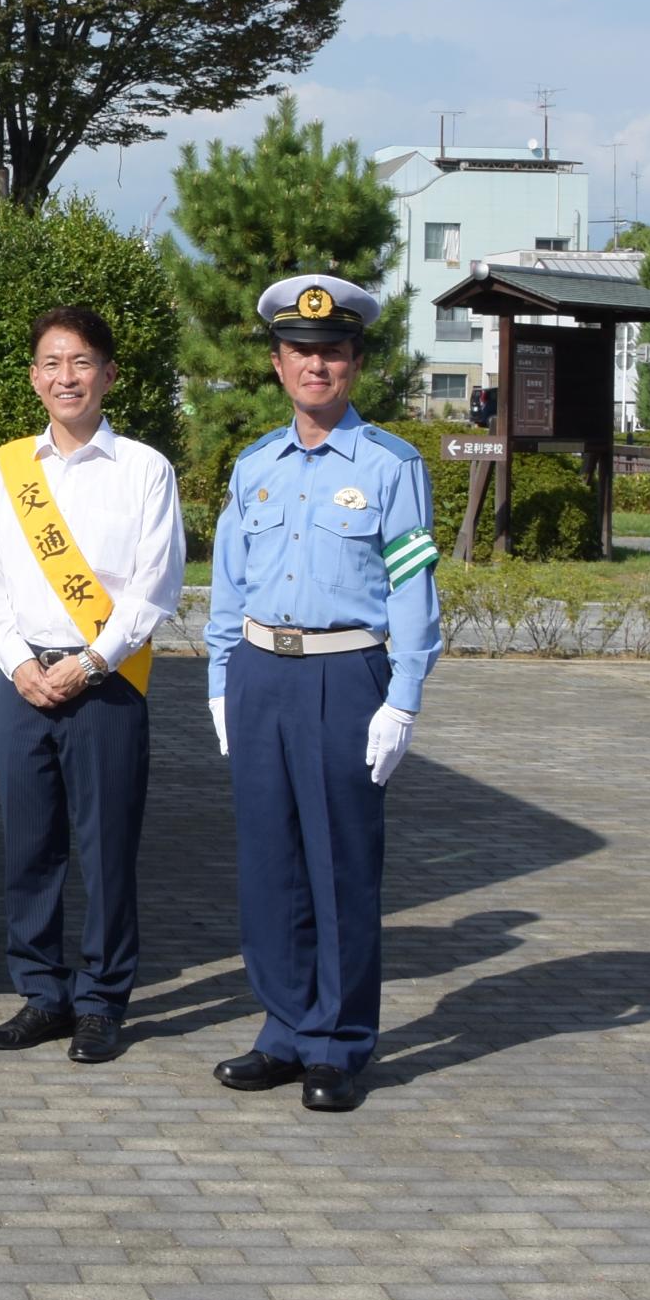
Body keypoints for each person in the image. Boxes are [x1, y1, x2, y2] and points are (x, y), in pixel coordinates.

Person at [204, 273, 444, 1113]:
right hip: (262, 673)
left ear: (354, 364)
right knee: (269, 864)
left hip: (347, 675)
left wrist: (403, 697)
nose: (317, 366)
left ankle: (338, 1044)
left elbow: (413, 587)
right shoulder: (254, 467)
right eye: (301, 353)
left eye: (332, 353)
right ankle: (282, 1030)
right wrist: (217, 681)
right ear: (276, 364)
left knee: (339, 865)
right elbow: (228, 584)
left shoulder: (390, 467)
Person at [0, 304, 182, 1067]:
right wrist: (17, 663)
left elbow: (156, 584)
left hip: (107, 681)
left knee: (106, 850)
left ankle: (100, 1001)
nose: (67, 377)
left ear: (108, 375)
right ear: (33, 378)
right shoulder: (6, 468)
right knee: (29, 847)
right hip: (21, 680)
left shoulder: (144, 469)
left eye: (82, 362)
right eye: (52, 363)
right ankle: (41, 993)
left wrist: (89, 662)